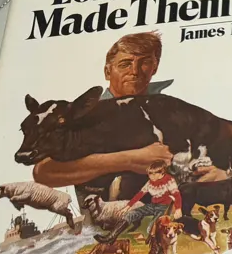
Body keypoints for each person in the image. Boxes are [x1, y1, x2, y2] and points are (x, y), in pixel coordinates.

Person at [31, 32, 175, 193]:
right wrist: (130, 159)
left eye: (145, 62)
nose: (134, 71)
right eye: (125, 64)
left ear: (155, 68)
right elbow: (43, 171)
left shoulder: (170, 110)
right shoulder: (83, 115)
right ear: (108, 72)